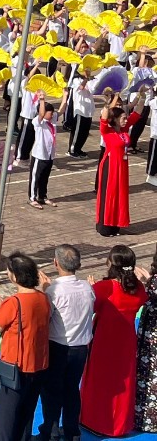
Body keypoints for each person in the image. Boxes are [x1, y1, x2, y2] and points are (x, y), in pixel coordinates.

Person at [0, 251, 50, 441]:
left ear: (15, 276)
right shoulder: (43, 298)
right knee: (26, 413)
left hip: (15, 367)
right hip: (38, 364)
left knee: (4, 419)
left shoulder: (13, 303)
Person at [81, 244, 143, 437]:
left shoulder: (104, 288)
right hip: (126, 342)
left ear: (110, 263)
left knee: (99, 380)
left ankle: (96, 422)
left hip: (104, 340)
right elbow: (140, 298)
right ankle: (120, 425)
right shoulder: (137, 288)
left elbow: (90, 307)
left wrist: (93, 287)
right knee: (124, 380)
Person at [40, 244, 94, 441]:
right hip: (80, 348)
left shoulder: (54, 291)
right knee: (71, 389)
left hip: (58, 348)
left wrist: (45, 290)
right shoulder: (87, 288)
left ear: (56, 263)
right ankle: (72, 432)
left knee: (51, 391)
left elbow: (46, 318)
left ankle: (51, 432)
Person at [95, 93, 134, 236]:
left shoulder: (123, 130)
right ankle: (105, 227)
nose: (126, 120)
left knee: (120, 195)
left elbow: (137, 114)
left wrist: (142, 95)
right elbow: (104, 119)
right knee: (109, 195)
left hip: (122, 166)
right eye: (123, 118)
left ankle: (116, 225)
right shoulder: (107, 131)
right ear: (116, 119)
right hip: (110, 166)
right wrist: (108, 104)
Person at [135, 246, 157, 431]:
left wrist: (146, 283)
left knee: (149, 371)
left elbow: (147, 301)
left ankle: (148, 419)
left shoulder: (154, 282)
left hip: (152, 335)